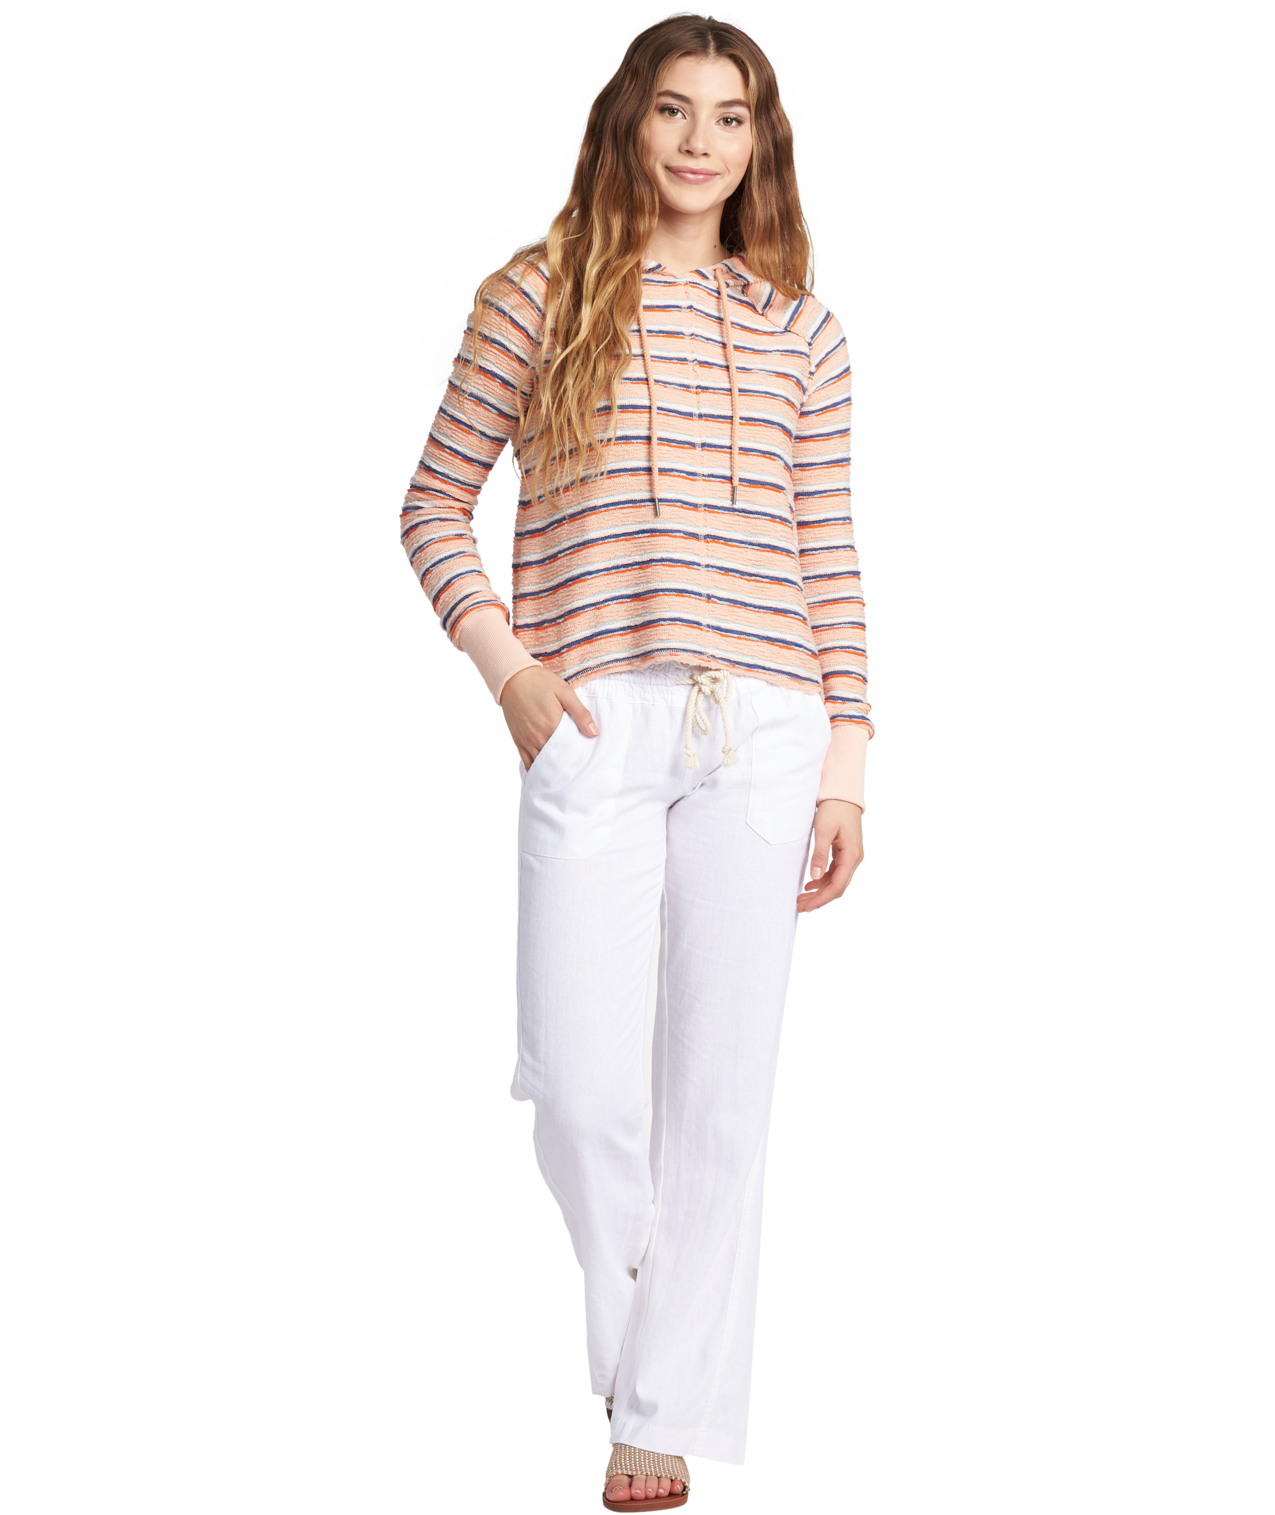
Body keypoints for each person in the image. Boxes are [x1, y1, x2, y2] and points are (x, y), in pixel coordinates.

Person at [399, 12, 870, 1508]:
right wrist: (513, 674)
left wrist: (845, 765)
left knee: (720, 1096)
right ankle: (636, 1332)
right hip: (589, 720)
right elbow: (430, 507)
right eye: (672, 109)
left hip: (763, 727)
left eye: (729, 117)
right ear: (625, 123)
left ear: (761, 146)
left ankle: (658, 1413)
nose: (697, 141)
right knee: (584, 1086)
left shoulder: (800, 331)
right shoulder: (534, 292)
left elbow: (829, 557)